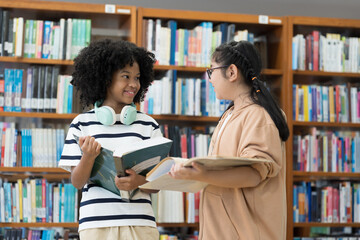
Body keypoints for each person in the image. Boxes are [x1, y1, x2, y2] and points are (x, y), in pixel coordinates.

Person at [169, 41, 289, 240]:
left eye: (211, 71)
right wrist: (196, 174)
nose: (210, 79)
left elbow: (252, 175)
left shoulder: (258, 116)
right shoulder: (231, 114)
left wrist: (203, 173)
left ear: (232, 72)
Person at [58, 39, 160, 240]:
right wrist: (88, 157)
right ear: (105, 79)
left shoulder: (148, 125)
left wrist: (138, 182)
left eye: (138, 77)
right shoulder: (82, 124)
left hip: (140, 224)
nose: (134, 84)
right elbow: (77, 182)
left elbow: (157, 183)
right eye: (125, 76)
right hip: (97, 225)